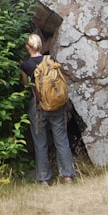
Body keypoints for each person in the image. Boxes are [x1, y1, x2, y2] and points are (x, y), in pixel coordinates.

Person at [20, 32, 76, 185]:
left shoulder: (26, 65)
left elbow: (26, 86)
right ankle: (68, 176)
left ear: (27, 47)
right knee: (61, 140)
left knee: (41, 142)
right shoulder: (51, 60)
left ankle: (44, 178)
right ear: (40, 45)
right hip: (57, 105)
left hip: (38, 107)